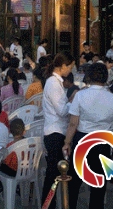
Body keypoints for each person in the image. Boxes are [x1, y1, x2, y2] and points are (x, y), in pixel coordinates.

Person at [64, 63, 113, 209]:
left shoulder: (80, 95)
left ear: (89, 76)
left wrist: (67, 142)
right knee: (98, 185)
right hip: (102, 142)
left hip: (82, 139)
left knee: (74, 183)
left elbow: (73, 123)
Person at [41, 51, 75, 209]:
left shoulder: (55, 82)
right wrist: (73, 102)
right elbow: (62, 111)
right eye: (70, 67)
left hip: (57, 130)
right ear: (63, 66)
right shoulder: (53, 83)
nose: (70, 70)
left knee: (54, 174)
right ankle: (48, 205)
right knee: (53, 176)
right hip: (55, 132)